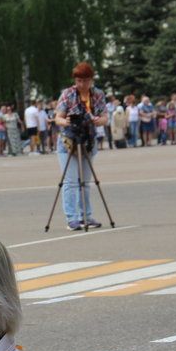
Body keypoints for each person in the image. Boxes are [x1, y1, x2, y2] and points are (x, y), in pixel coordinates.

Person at [54, 62, 108, 231]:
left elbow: (105, 116)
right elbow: (58, 118)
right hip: (68, 141)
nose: (82, 84)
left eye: (85, 81)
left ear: (91, 80)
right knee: (71, 181)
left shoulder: (97, 94)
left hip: (88, 141)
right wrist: (66, 121)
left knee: (85, 181)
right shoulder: (68, 94)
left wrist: (99, 120)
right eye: (79, 81)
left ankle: (86, 215)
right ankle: (72, 218)